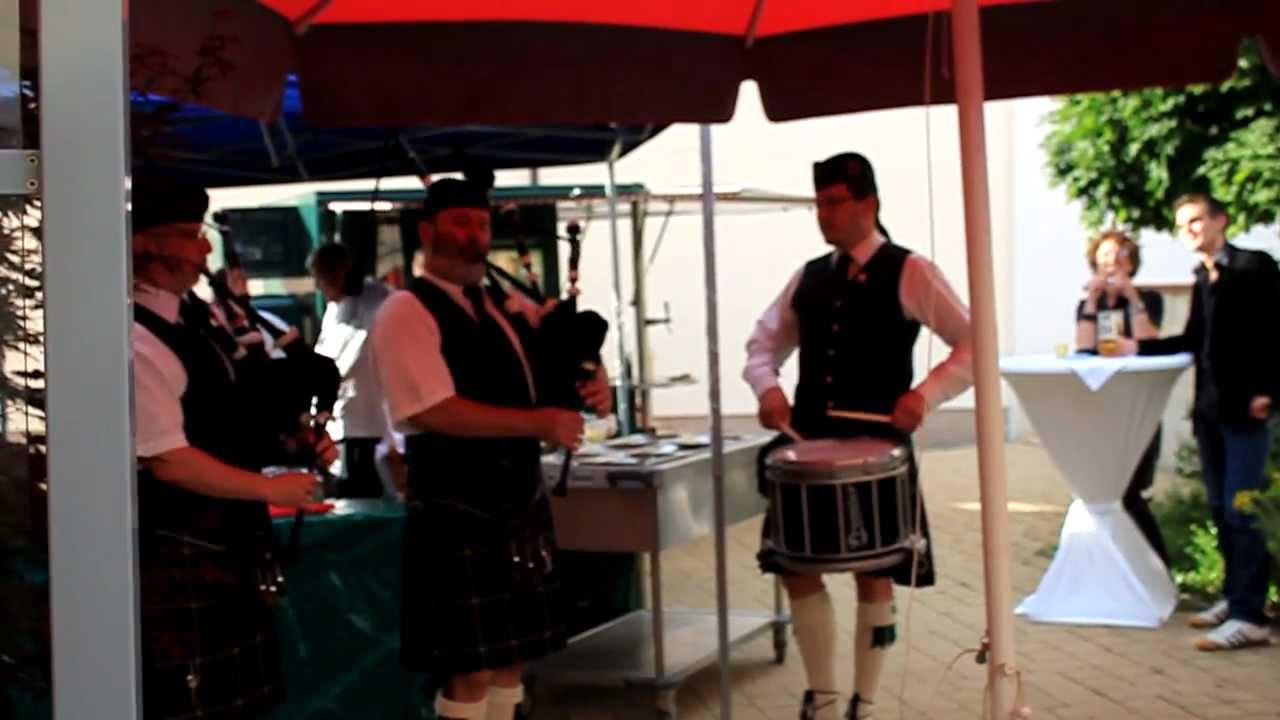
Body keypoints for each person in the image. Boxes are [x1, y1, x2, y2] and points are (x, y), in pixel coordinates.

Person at [371, 178, 612, 720]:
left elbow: (554, 363)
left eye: (480, 224)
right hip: (457, 508)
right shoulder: (406, 310)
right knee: (470, 669)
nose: (473, 235)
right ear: (428, 231)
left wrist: (597, 380)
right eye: (459, 223)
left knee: (511, 659)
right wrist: (539, 421)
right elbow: (433, 409)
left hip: (516, 502)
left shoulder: (505, 306)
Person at [743, 153, 973, 720]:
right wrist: (767, 388)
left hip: (879, 454)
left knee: (875, 575)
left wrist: (925, 395)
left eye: (835, 202)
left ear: (868, 203)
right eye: (819, 203)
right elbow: (762, 345)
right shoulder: (810, 276)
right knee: (797, 568)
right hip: (811, 448)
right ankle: (820, 698)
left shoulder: (911, 270)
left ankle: (864, 704)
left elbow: (975, 342)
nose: (824, 214)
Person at [130, 176, 333, 719]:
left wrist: (294, 441)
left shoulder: (197, 321)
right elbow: (167, 459)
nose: (204, 250)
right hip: (180, 550)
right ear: (145, 245)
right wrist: (267, 487)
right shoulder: (136, 337)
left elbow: (231, 413)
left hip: (227, 549)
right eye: (191, 236)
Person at [1129, 193, 1278, 651]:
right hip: (1210, 412)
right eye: (1181, 225)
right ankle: (1233, 598)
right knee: (1220, 509)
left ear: (1221, 220)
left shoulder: (1255, 267)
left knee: (1242, 510)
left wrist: (1269, 392)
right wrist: (1136, 349)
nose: (1188, 231)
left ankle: (1250, 616)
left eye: (1195, 221)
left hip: (1247, 411)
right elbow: (1194, 340)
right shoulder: (1201, 276)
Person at [1074, 230, 1170, 567]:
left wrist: (1130, 296)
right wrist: (1090, 301)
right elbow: (1084, 349)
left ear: (1131, 261)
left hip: (1138, 405)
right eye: (1103, 257)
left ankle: (1157, 567)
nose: (1110, 263)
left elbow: (1150, 343)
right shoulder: (1089, 305)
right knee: (1106, 490)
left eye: (1118, 256)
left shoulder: (1149, 299)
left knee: (1132, 493)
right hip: (1103, 406)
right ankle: (1114, 565)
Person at [310, 242, 393, 498]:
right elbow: (325, 355)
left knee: (369, 483)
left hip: (373, 414)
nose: (320, 287)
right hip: (342, 416)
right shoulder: (334, 310)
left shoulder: (378, 299)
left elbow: (351, 356)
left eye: (323, 279)